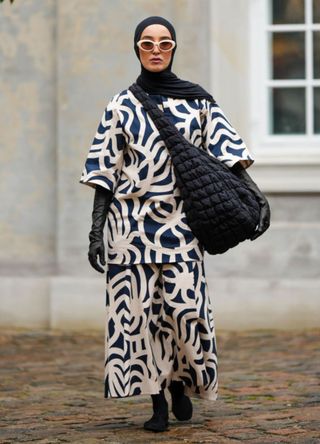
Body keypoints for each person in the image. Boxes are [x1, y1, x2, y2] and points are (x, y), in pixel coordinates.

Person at [79, 16, 269, 433]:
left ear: (174, 47)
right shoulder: (120, 105)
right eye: (147, 43)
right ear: (136, 48)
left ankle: (181, 383)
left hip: (182, 226)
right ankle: (156, 403)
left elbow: (227, 152)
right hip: (129, 230)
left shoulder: (199, 102)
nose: (156, 49)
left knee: (186, 312)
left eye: (164, 42)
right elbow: (103, 172)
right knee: (140, 319)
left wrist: (255, 194)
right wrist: (97, 231)